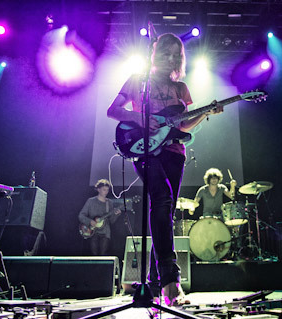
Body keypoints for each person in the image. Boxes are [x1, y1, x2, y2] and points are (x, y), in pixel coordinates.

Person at [107, 33, 224, 306]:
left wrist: (206, 112)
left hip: (174, 153)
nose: (171, 58)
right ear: (155, 52)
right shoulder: (139, 80)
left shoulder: (181, 88)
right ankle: (171, 282)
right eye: (166, 52)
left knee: (165, 213)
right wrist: (137, 116)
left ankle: (154, 283)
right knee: (161, 199)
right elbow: (114, 110)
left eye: (177, 55)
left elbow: (182, 126)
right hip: (143, 148)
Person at [78, 179, 121, 255]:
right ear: (98, 189)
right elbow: (81, 215)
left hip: (105, 233)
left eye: (107, 190)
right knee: (94, 254)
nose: (106, 192)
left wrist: (116, 215)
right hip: (92, 232)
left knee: (103, 254)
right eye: (104, 190)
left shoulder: (109, 203)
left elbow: (111, 221)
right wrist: (90, 221)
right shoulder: (90, 201)